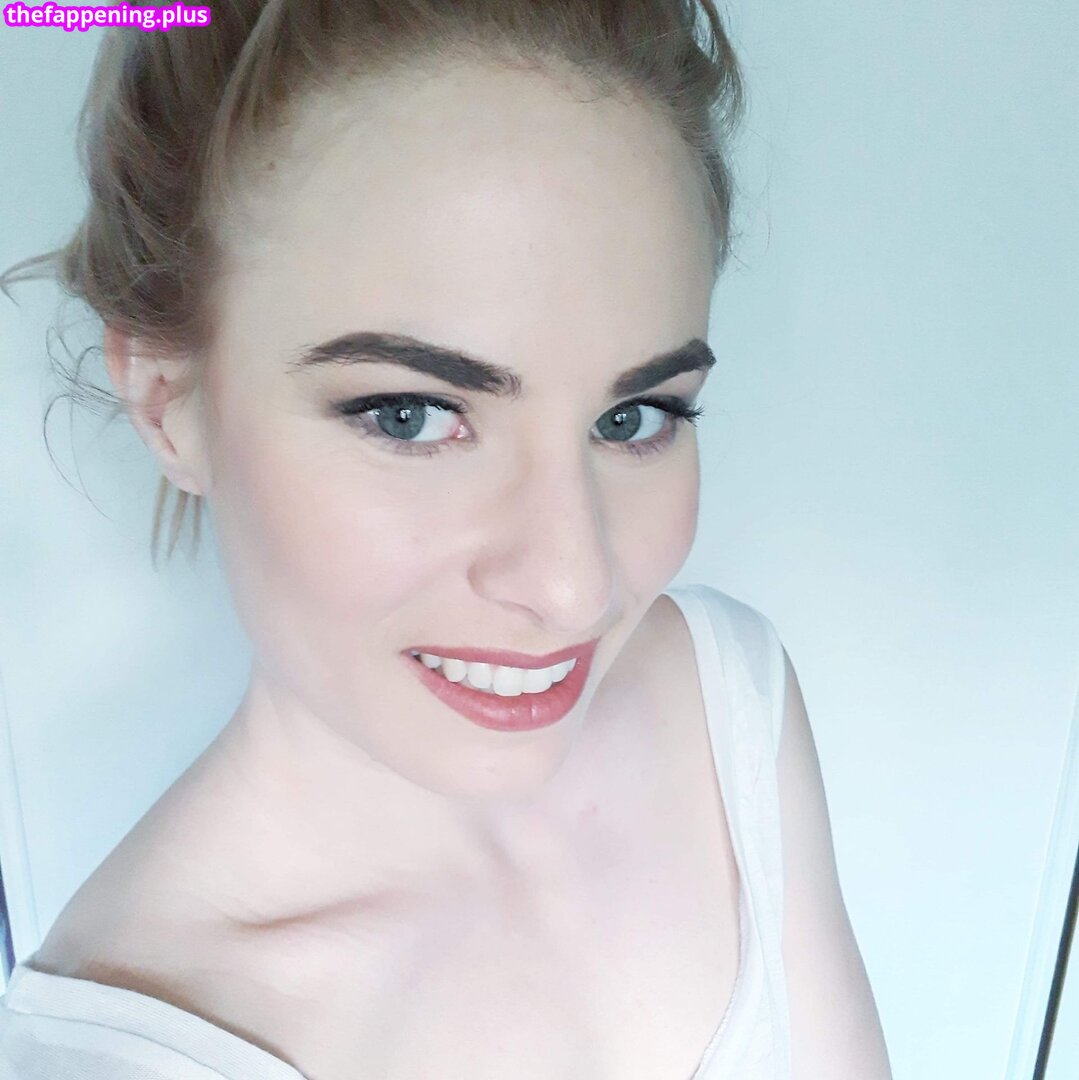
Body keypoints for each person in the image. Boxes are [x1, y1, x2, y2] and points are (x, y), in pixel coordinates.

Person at [0, 2, 892, 1077]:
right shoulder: (120, 1051)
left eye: (632, 418)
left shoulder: (724, 706)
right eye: (411, 415)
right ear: (166, 402)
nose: (572, 586)